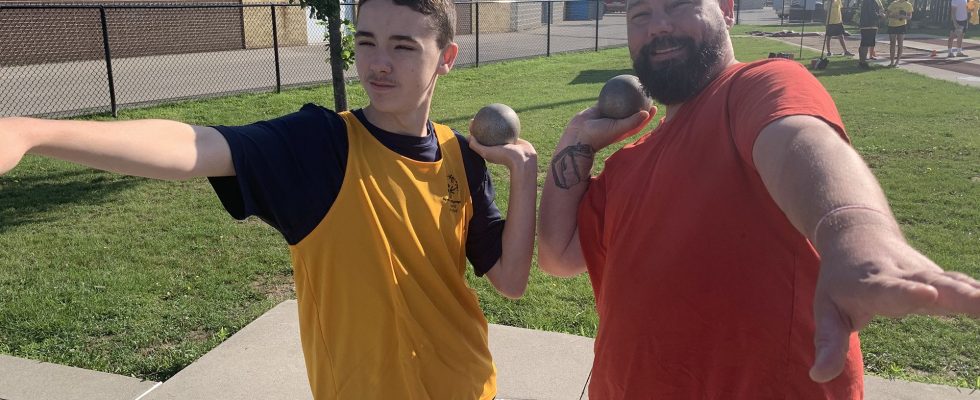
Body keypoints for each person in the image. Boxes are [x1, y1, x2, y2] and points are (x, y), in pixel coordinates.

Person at [0, 0, 539, 398]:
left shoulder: (461, 157)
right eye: (368, 40)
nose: (377, 63)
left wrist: (523, 173)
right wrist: (33, 133)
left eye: (403, 47)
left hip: (469, 385)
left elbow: (509, 281)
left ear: (446, 58)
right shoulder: (319, 146)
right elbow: (197, 146)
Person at [537, 0, 980, 397]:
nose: (657, 26)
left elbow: (798, 140)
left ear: (726, 10)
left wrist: (853, 231)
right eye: (640, 15)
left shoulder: (754, 85)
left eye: (678, 4)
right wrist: (578, 139)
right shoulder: (628, 164)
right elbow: (558, 254)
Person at [858, 0, 886, 68]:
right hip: (870, 25)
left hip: (865, 25)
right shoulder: (870, 1)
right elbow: (872, 14)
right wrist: (881, 16)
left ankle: (861, 61)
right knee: (865, 44)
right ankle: (863, 62)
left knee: (863, 44)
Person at [887, 0, 913, 66]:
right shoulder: (893, 3)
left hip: (901, 26)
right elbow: (888, 14)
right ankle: (892, 62)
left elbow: (909, 17)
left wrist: (902, 17)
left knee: (900, 43)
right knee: (892, 43)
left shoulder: (908, 4)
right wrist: (894, 16)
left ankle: (897, 62)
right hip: (892, 25)